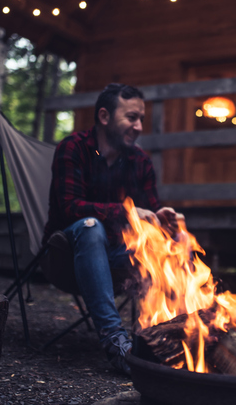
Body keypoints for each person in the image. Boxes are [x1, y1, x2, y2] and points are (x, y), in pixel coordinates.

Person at [41, 83, 178, 375]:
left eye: (141, 118)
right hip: (68, 257)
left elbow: (149, 216)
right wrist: (127, 212)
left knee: (162, 244)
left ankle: (156, 338)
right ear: (104, 117)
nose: (139, 126)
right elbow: (69, 207)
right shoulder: (74, 148)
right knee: (90, 227)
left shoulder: (140, 161)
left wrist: (161, 219)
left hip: (119, 263)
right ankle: (116, 341)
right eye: (131, 117)